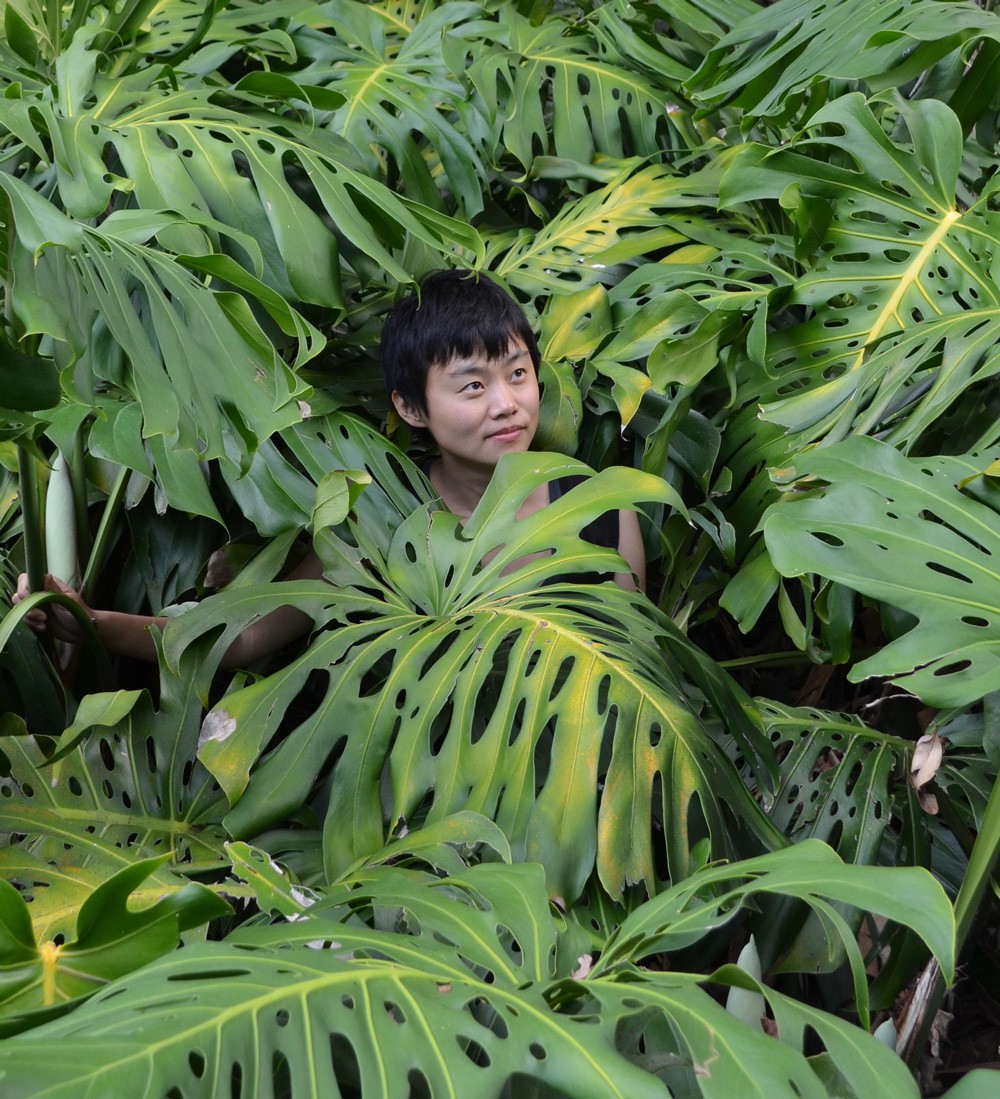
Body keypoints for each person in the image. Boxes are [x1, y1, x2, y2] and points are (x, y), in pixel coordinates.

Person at [14, 268, 645, 663]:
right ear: (411, 406)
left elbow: (643, 661)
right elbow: (249, 639)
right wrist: (93, 625)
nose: (507, 404)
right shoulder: (383, 519)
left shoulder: (600, 507)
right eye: (472, 387)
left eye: (517, 374)